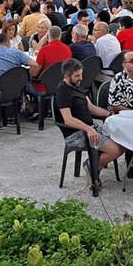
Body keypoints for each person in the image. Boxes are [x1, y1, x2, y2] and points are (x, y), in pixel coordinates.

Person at [55, 60, 124, 191]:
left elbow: (91, 108)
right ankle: (93, 167)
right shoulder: (63, 92)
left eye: (81, 74)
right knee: (115, 150)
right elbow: (67, 119)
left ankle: (93, 165)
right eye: (76, 76)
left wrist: (110, 114)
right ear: (66, 76)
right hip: (76, 133)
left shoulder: (77, 87)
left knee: (125, 140)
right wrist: (88, 129)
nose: (80, 78)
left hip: (90, 128)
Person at [34, 25, 73, 95]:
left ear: (48, 36)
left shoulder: (44, 50)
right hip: (62, 83)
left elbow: (35, 73)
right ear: (60, 36)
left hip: (45, 85)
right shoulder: (67, 49)